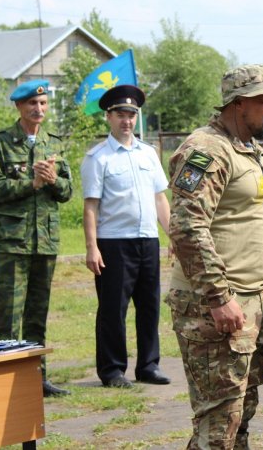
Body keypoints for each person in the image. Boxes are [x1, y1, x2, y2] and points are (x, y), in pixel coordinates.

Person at [166, 64, 263, 449]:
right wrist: (219, 297)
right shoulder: (206, 150)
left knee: (239, 417)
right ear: (238, 104)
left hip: (252, 304)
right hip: (217, 308)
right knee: (218, 424)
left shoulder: (252, 150)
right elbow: (187, 227)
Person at [0, 78, 73, 398]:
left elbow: (67, 192)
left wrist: (51, 182)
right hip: (13, 242)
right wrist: (30, 184)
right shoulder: (1, 142)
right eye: (32, 104)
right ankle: (3, 382)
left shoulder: (54, 142)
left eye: (44, 103)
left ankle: (37, 379)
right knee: (7, 315)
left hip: (45, 241)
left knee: (37, 314)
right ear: (19, 107)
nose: (39, 109)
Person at [80, 85, 172, 389]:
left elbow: (160, 198)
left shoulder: (148, 153)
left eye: (132, 114)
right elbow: (90, 206)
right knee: (113, 309)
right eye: (121, 114)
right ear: (109, 117)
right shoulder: (98, 157)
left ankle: (148, 365)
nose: (127, 120)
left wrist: (172, 236)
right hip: (114, 242)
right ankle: (112, 369)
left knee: (149, 306)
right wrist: (92, 247)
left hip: (147, 240)